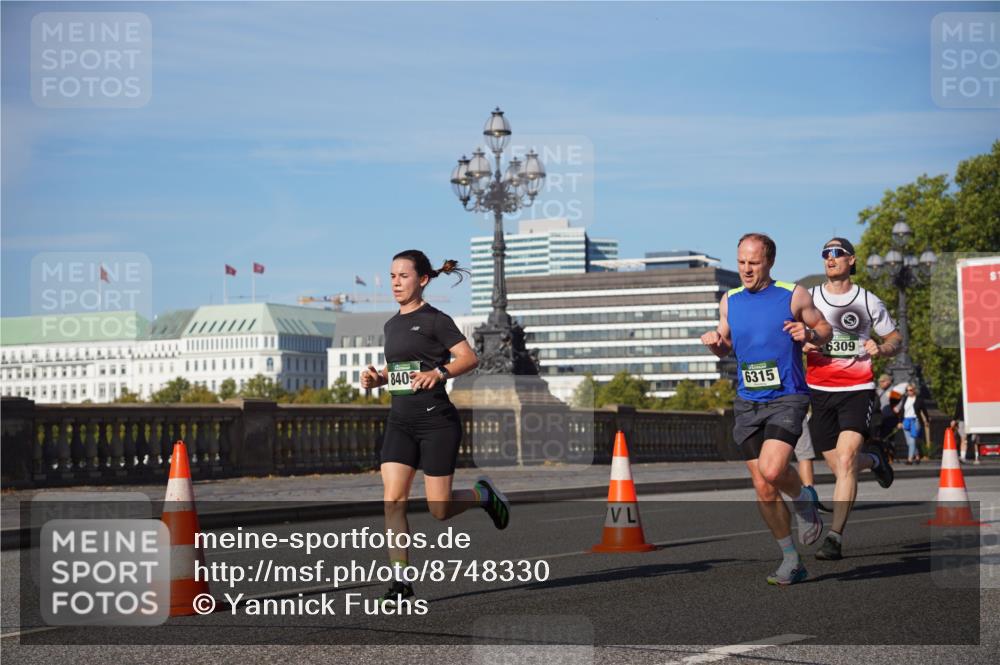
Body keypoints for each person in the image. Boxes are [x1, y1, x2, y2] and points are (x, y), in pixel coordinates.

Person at [360, 249, 511, 607]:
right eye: (393, 276)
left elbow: (469, 357)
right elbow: (399, 372)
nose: (396, 282)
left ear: (423, 279)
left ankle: (483, 495)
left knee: (439, 509)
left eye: (404, 276)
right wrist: (376, 378)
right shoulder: (391, 325)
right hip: (400, 421)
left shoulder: (435, 320)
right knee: (393, 500)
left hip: (436, 422)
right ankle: (401, 582)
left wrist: (439, 372)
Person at [701, 232, 832, 585]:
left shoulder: (793, 295)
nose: (746, 268)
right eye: (741, 261)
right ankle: (791, 559)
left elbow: (825, 329)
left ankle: (804, 500)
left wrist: (809, 335)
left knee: (773, 470)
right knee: (762, 486)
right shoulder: (730, 300)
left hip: (787, 396)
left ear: (769, 262)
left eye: (754, 262)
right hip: (747, 401)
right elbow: (726, 344)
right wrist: (715, 344)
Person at [803, 238, 901, 561]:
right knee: (839, 465)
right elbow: (791, 333)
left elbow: (894, 338)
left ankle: (835, 537)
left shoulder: (868, 301)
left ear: (851, 260)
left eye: (836, 254)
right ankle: (875, 460)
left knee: (845, 462)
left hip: (857, 388)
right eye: (825, 255)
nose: (830, 259)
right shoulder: (811, 298)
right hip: (820, 391)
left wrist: (881, 347)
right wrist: (802, 344)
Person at [795, 412, 832, 513]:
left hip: (759, 404)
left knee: (804, 453)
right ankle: (810, 500)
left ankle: (810, 499)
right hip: (791, 404)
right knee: (804, 454)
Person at [895, 383, 929, 464]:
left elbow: (924, 411)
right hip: (906, 421)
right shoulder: (905, 399)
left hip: (915, 421)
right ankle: (917, 456)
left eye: (910, 390)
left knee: (912, 440)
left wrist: (927, 420)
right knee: (909, 442)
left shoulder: (919, 400)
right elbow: (902, 411)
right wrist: (900, 422)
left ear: (914, 390)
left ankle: (910, 459)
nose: (908, 392)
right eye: (907, 390)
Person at [951, 399, 979, 464]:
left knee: (963, 439)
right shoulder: (973, 393)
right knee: (974, 440)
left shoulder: (962, 394)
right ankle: (976, 458)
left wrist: (954, 419)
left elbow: (958, 408)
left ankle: (963, 457)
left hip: (963, 419)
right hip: (973, 418)